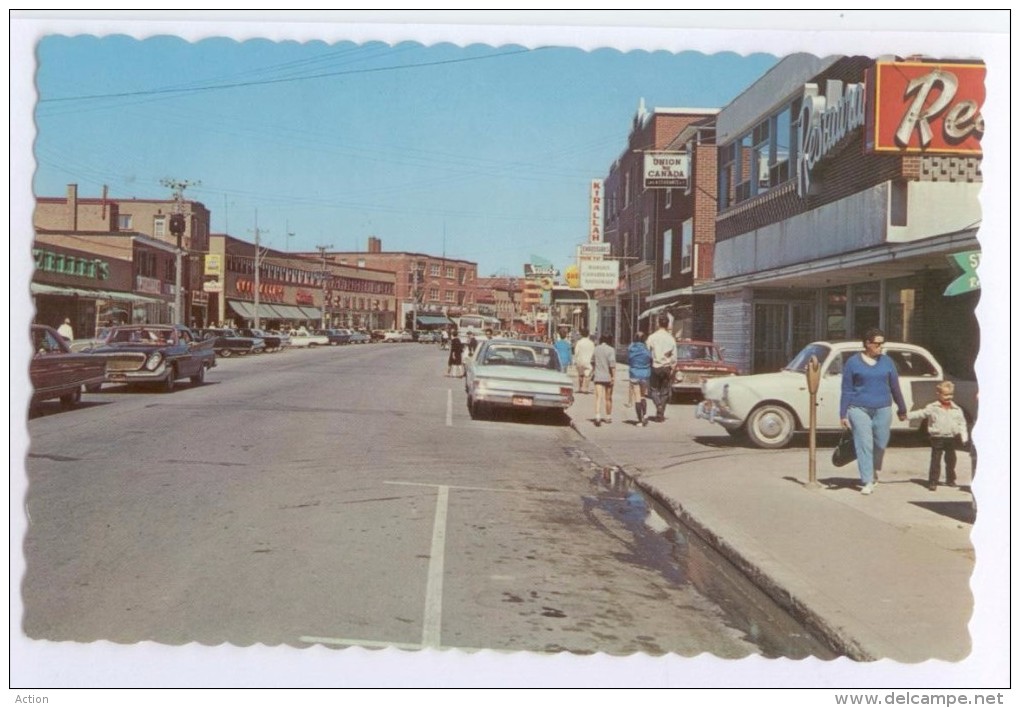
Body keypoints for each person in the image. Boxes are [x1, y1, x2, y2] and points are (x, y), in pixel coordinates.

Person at [840, 328, 908, 495]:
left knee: (880, 443)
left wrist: (902, 408)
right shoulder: (853, 363)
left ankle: (872, 470)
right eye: (877, 344)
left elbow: (895, 387)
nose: (880, 347)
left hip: (883, 408)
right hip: (858, 408)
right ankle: (867, 480)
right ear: (867, 344)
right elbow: (847, 389)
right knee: (864, 444)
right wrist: (842, 413)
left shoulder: (887, 362)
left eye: (882, 344)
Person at [907, 381, 970, 491]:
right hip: (937, 437)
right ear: (938, 394)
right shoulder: (933, 407)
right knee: (936, 460)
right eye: (945, 395)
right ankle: (933, 481)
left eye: (950, 394)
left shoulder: (957, 409)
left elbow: (962, 423)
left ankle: (950, 479)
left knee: (951, 460)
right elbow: (921, 413)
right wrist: (907, 416)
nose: (948, 397)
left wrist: (964, 437)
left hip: (951, 437)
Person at [645, 314, 676, 422]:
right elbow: (674, 356)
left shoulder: (652, 337)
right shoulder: (671, 338)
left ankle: (658, 406)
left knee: (653, 390)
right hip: (666, 367)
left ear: (658, 323)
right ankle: (660, 412)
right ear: (667, 324)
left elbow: (647, 351)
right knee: (665, 391)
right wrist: (672, 367)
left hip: (655, 366)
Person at [627, 332, 652, 426]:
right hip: (645, 374)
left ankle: (640, 420)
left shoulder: (631, 348)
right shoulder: (646, 349)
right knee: (643, 396)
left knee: (637, 397)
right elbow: (650, 359)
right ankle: (645, 414)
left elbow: (629, 360)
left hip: (634, 374)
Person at [591, 334, 616, 427]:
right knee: (608, 398)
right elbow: (612, 365)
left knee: (598, 397)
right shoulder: (611, 350)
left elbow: (592, 361)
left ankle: (597, 416)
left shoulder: (596, 349)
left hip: (598, 376)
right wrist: (613, 376)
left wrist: (594, 370)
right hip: (608, 376)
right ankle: (608, 416)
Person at [573, 329, 596, 393]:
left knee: (580, 375)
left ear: (581, 334)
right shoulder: (591, 343)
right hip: (588, 361)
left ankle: (580, 388)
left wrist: (576, 359)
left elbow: (576, 352)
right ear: (588, 334)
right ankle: (586, 388)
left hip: (580, 360)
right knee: (587, 375)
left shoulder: (579, 342)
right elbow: (593, 352)